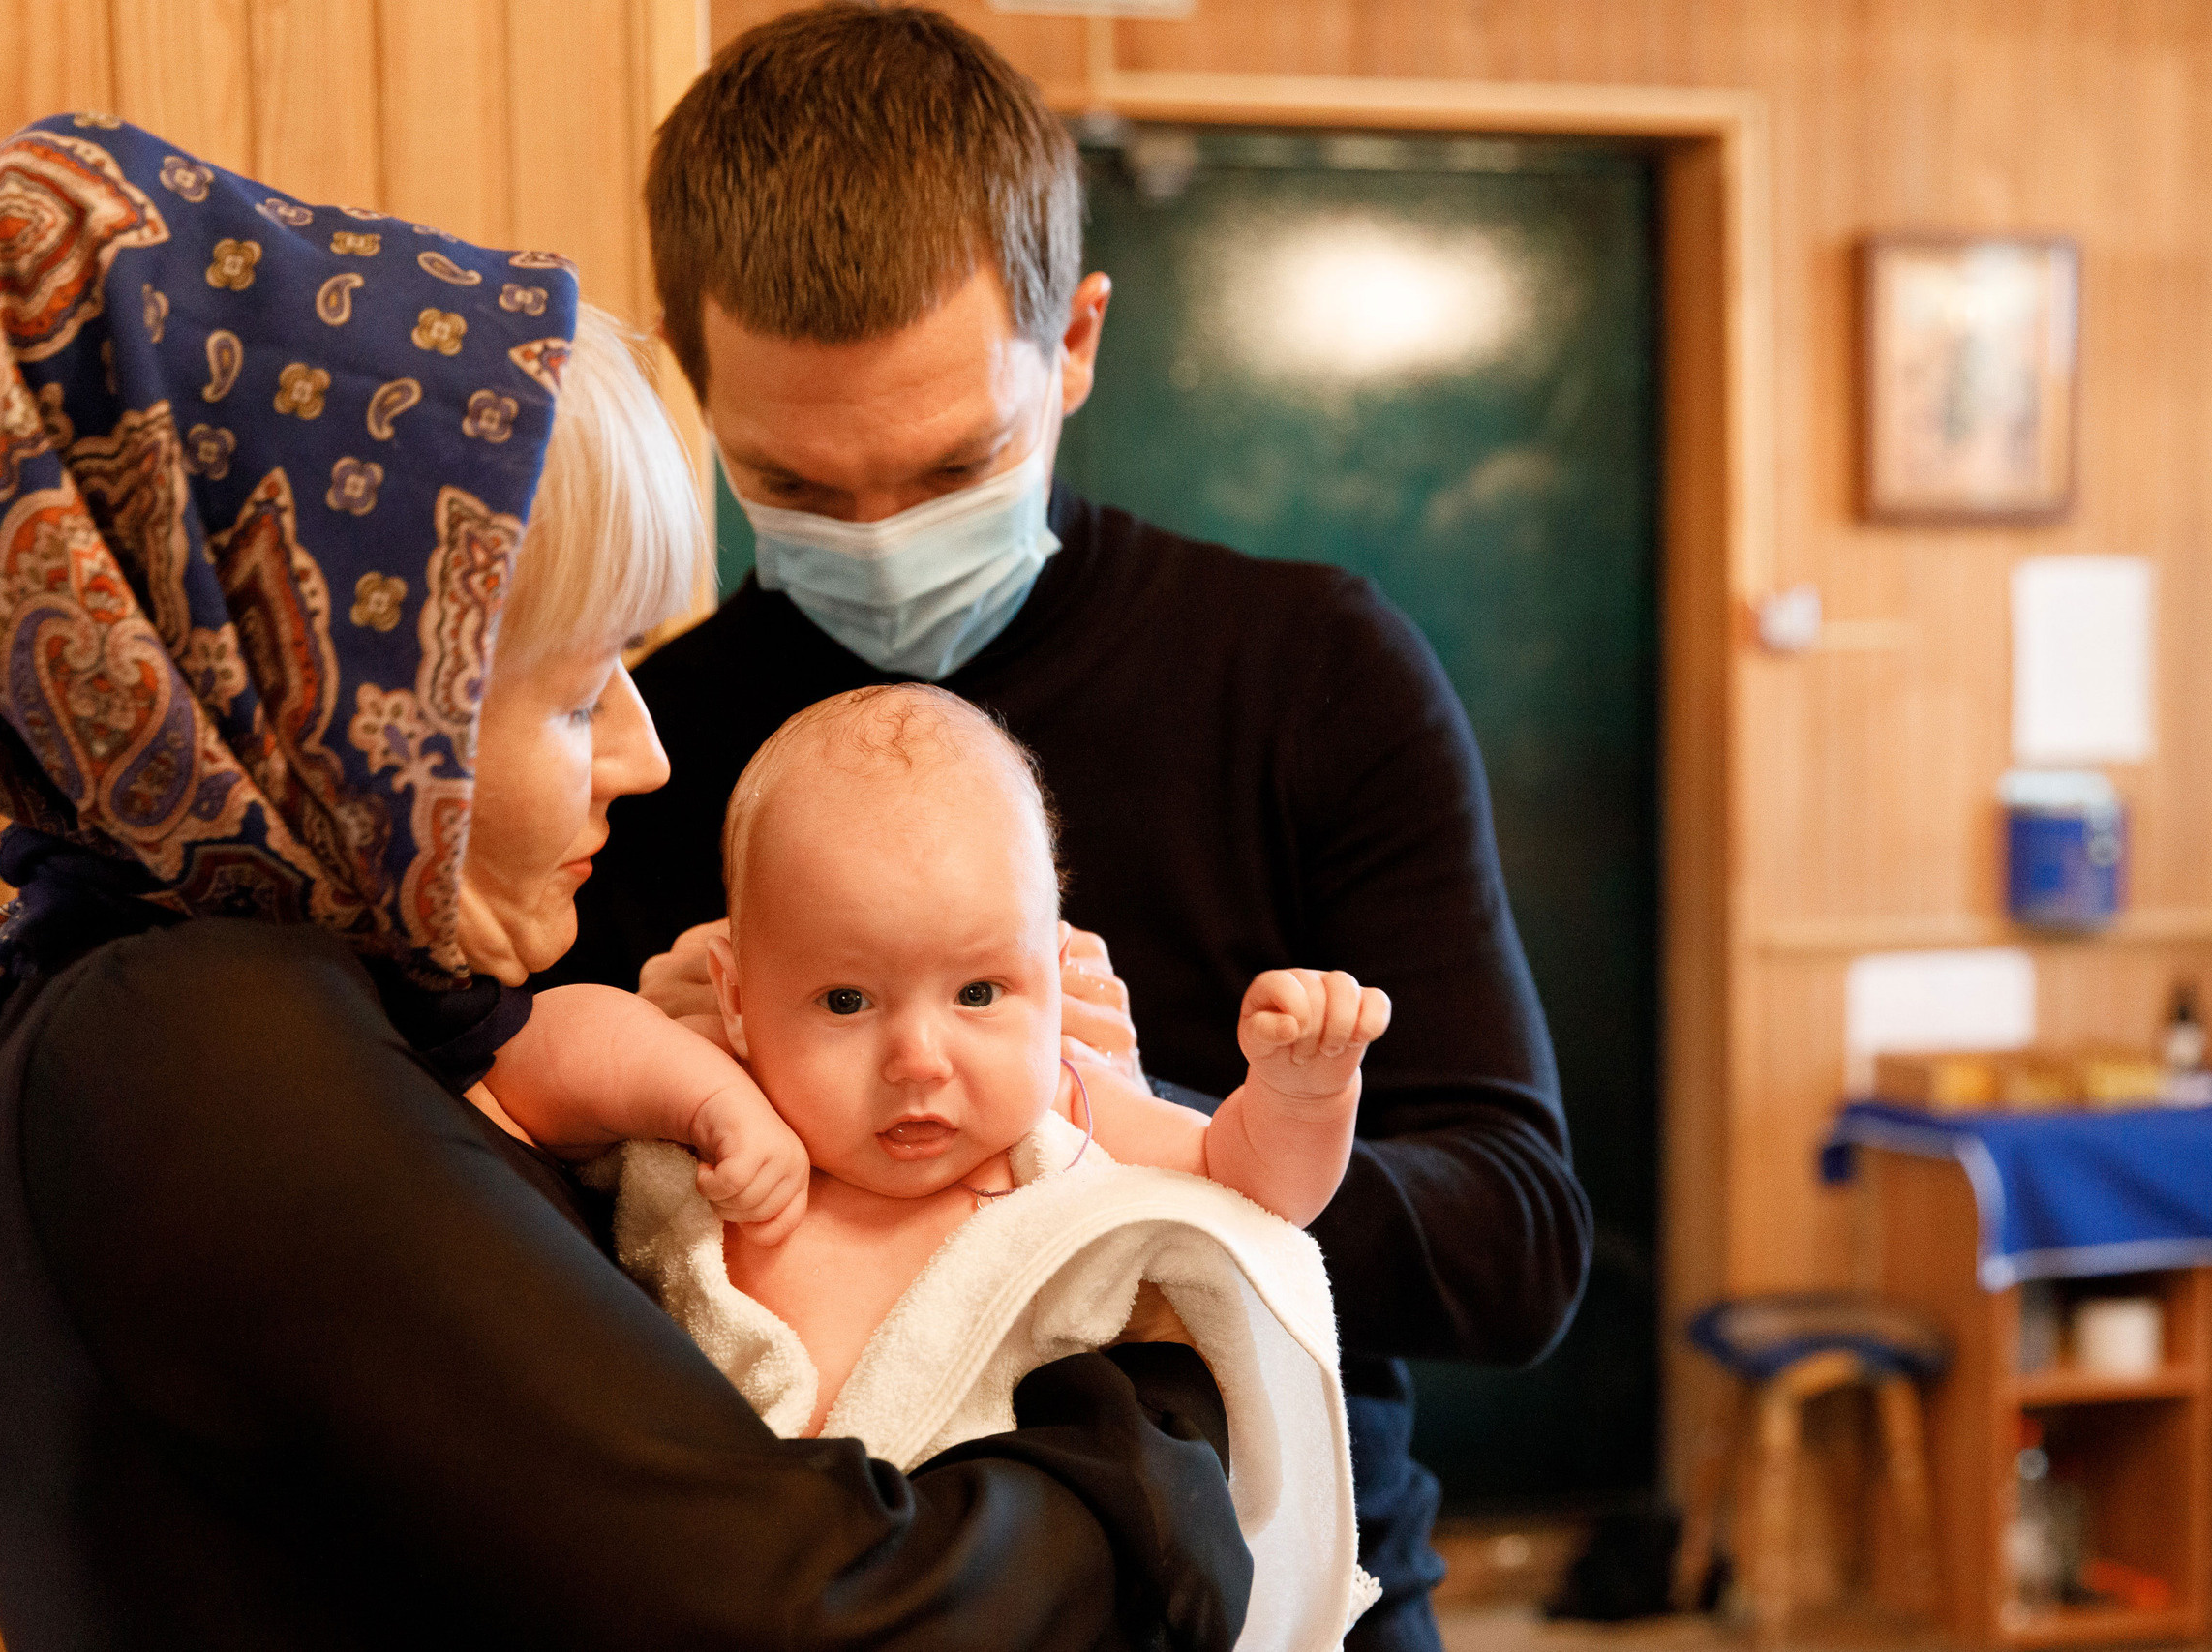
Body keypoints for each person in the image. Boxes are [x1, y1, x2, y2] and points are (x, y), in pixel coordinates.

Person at [0, 115, 1250, 1651]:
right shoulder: (202, 1044)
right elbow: (814, 1606)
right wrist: (1158, 1374)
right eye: (576, 696)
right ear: (340, 696)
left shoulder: (259, 1005)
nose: (639, 758)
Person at [544, 9, 1595, 1646]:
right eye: (801, 488)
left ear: (1079, 338)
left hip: (1278, 1588)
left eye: (954, 465)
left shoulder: (1312, 673)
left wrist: (1134, 1138)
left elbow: (1517, 1243)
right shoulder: (627, 744)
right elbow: (526, 1254)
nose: (881, 541)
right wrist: (635, 1101)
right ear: (700, 382)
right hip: (828, 1592)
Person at [486, 683, 1389, 1429]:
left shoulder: (1063, 1118)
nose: (919, 1059)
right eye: (846, 1000)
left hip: (989, 1562)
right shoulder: (722, 1087)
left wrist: (1303, 1092)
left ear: (1054, 965)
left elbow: (1255, 1190)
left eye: (980, 993)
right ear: (736, 995)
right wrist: (712, 1100)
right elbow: (520, 1058)